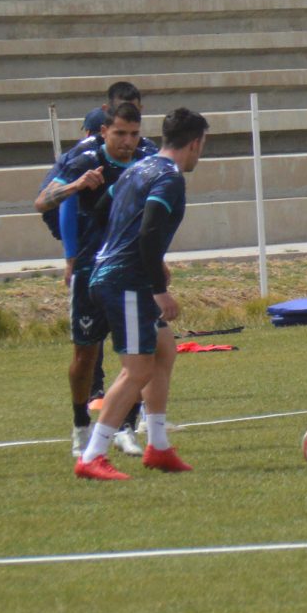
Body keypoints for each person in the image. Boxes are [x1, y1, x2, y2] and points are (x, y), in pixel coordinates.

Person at [73, 108, 211, 480]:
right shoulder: (169, 177)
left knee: (164, 350)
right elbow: (149, 231)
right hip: (127, 281)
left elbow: (100, 210)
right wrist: (159, 289)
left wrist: (122, 250)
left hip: (113, 273)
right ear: (194, 143)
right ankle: (92, 456)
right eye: (202, 146)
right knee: (137, 369)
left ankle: (159, 446)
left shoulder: (136, 169)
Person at [34, 100, 154, 458]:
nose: (128, 141)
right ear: (104, 131)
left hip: (131, 269)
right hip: (90, 269)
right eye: (120, 133)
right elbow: (42, 202)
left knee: (139, 354)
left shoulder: (146, 161)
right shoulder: (85, 161)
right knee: (85, 354)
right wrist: (76, 186)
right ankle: (80, 425)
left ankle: (126, 427)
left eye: (134, 134)